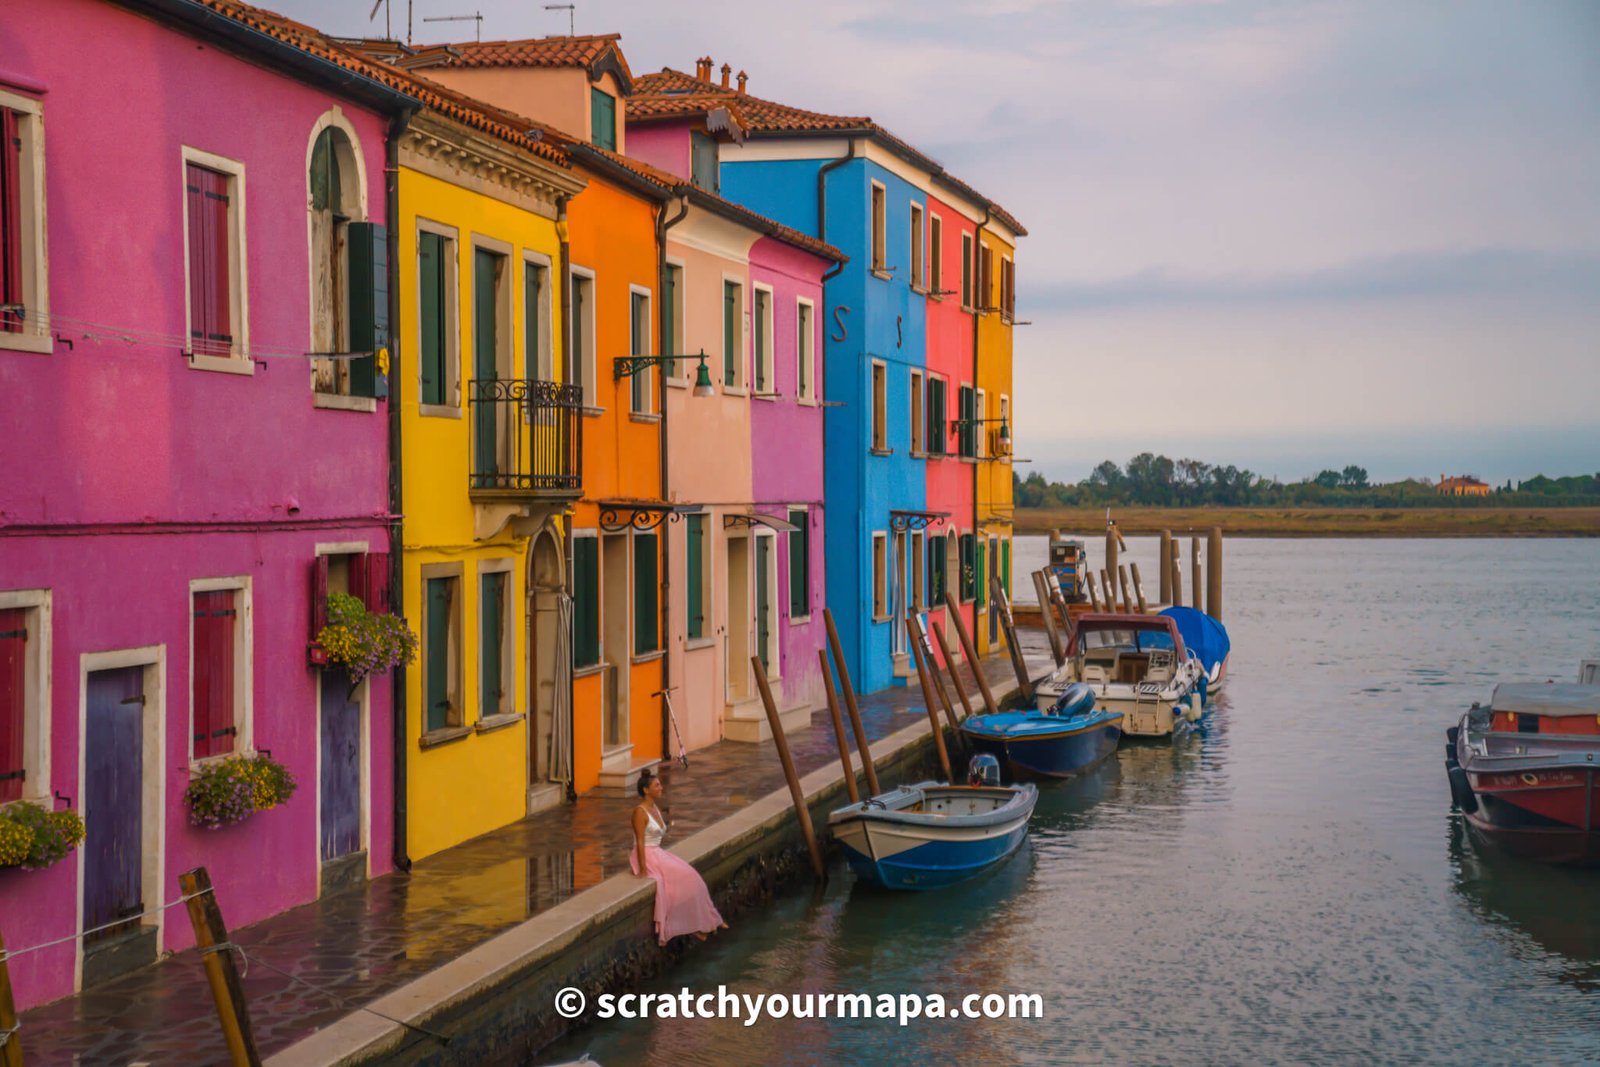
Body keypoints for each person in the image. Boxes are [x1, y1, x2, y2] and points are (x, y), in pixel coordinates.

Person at [631, 770, 727, 946]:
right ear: (646, 790)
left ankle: (708, 920)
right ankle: (695, 926)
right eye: (657, 785)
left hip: (657, 852)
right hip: (647, 855)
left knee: (693, 877)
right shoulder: (640, 812)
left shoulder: (655, 808)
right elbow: (639, 842)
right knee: (684, 878)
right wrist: (643, 869)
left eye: (660, 784)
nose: (661, 788)